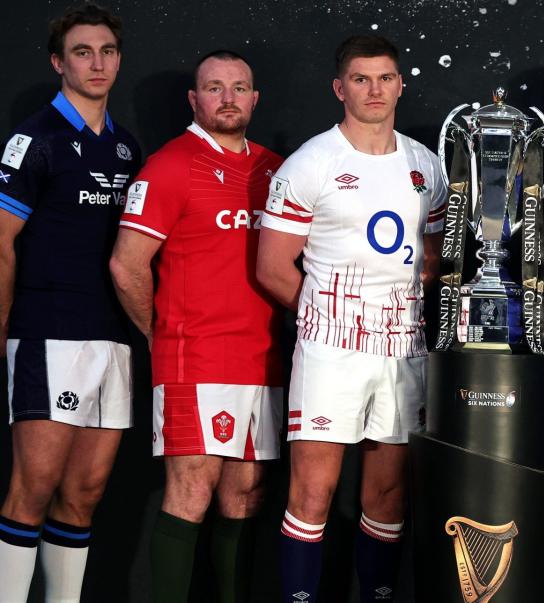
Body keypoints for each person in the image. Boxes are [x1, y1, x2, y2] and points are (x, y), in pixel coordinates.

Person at [256, 35, 444, 602]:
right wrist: (330, 314)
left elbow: (432, 259)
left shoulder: (425, 165)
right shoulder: (312, 162)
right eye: (361, 79)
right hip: (330, 349)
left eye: (385, 78)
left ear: (401, 85)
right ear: (340, 88)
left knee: (387, 496)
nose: (374, 90)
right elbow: (272, 267)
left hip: (402, 346)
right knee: (313, 492)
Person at [109, 50, 284, 602]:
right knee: (191, 493)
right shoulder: (170, 165)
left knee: (245, 498)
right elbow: (126, 264)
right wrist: (158, 333)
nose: (228, 98)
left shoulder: (276, 170)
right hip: (196, 359)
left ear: (255, 98)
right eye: (214, 88)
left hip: (266, 360)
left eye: (239, 88)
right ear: (194, 99)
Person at [0, 5, 140, 601]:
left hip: (113, 338)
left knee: (85, 493)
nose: (97, 62)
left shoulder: (128, 148)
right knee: (33, 488)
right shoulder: (35, 140)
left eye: (107, 51)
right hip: (47, 332)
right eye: (83, 52)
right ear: (60, 62)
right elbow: (1, 246)